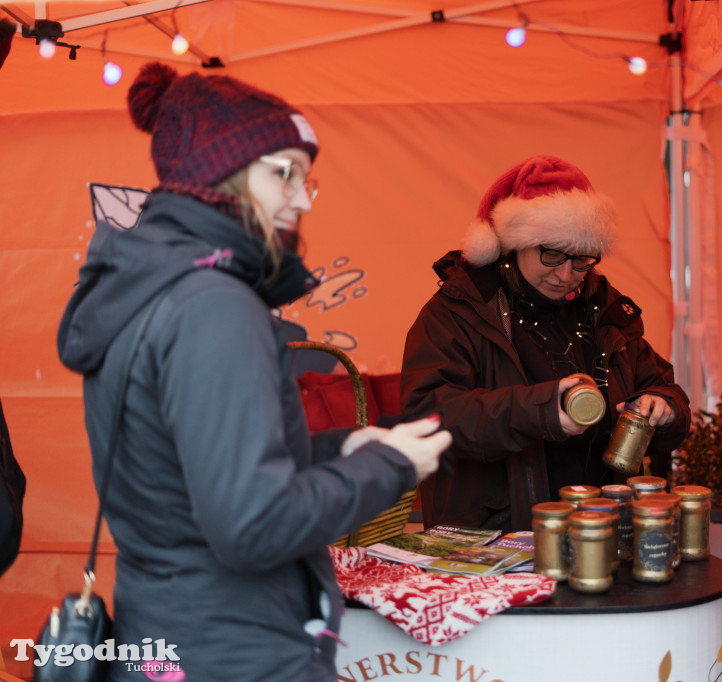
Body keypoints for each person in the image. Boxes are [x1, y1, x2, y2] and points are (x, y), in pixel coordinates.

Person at [56, 62, 450, 681]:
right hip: (236, 655)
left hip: (172, 638)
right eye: (282, 173)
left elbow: (200, 475)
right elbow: (253, 524)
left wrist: (344, 446)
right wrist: (391, 466)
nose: (300, 196)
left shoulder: (151, 287)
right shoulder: (213, 304)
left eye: (306, 178)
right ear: (222, 175)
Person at [400, 155, 690, 533]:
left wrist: (662, 407)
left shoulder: (606, 312)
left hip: (595, 534)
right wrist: (540, 411)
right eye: (551, 253)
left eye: (581, 258)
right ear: (514, 244)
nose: (566, 274)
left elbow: (665, 389)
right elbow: (426, 418)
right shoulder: (458, 313)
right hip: (493, 542)